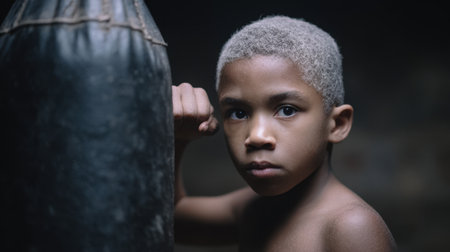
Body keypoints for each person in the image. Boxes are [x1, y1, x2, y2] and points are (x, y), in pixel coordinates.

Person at [172, 15, 396, 251]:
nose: (256, 136)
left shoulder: (351, 228)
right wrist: (177, 138)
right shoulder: (254, 210)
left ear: (337, 124)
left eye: (287, 110)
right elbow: (171, 219)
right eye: (238, 113)